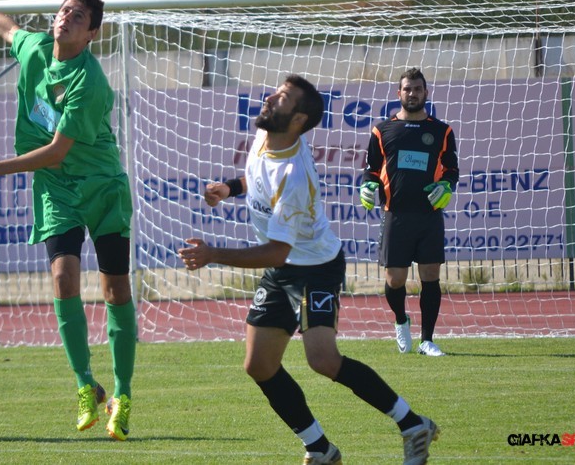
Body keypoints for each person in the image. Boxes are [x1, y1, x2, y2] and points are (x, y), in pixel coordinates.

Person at [179, 75, 439, 465]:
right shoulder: (268, 135)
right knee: (259, 364)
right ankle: (320, 448)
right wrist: (231, 188)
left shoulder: (294, 176)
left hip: (316, 267)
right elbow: (257, 175)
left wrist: (213, 253)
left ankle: (412, 424)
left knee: (323, 360)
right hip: (285, 268)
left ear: (298, 119)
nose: (269, 98)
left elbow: (276, 251)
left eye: (282, 98)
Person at [0, 0, 137, 441]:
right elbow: (5, 27)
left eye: (79, 16)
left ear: (91, 34)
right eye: (64, 10)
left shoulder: (89, 82)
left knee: (115, 290)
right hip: (57, 189)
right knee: (62, 278)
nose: (66, 17)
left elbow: (56, 151)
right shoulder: (35, 48)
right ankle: (84, 385)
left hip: (102, 187)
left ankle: (122, 394)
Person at [359, 67, 459, 357]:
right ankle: (401, 320)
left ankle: (427, 340)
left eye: (417, 89)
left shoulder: (442, 131)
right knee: (395, 280)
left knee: (430, 275)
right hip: (396, 214)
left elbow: (452, 169)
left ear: (426, 92)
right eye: (407, 89)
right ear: (398, 93)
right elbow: (371, 170)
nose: (412, 93)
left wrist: (447, 186)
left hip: (429, 215)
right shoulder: (382, 130)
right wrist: (367, 186)